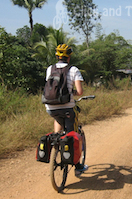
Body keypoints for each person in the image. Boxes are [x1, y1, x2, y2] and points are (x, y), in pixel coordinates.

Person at [44, 44, 88, 177]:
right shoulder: (73, 69)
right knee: (72, 135)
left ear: (57, 56)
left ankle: (56, 145)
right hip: (68, 107)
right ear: (69, 57)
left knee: (58, 118)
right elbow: (80, 92)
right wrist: (71, 93)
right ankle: (78, 165)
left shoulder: (49, 69)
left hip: (50, 107)